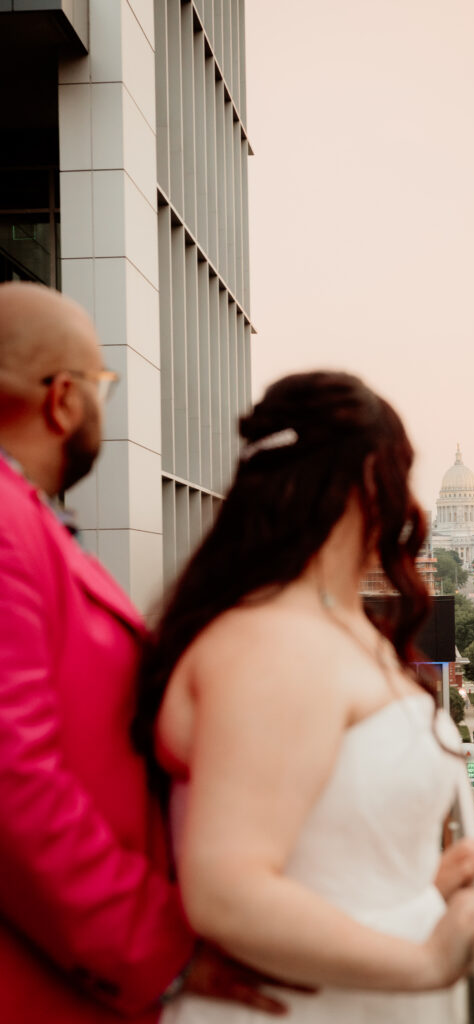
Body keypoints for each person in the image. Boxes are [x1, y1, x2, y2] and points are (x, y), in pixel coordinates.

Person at [136, 371, 474, 1023]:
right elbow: (227, 891)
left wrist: (418, 891)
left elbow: (323, 850)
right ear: (370, 483)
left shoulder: (317, 626)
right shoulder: (274, 643)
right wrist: (428, 958)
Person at [0, 283, 288, 1023]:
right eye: (102, 386)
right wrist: (160, 949)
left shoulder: (28, 521)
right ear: (63, 398)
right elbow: (11, 780)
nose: (104, 405)